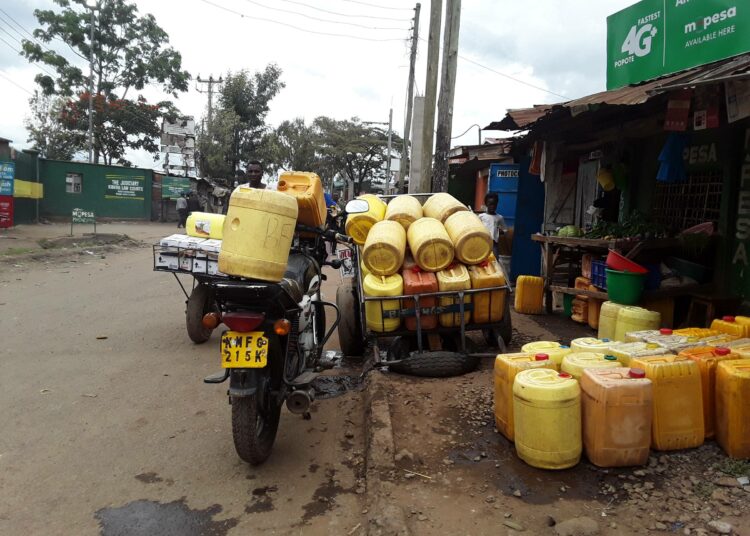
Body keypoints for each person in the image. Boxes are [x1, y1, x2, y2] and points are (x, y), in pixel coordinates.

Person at [478, 192, 507, 258]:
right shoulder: (481, 216)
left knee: (494, 260)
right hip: (483, 242)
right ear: (486, 204)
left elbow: (505, 230)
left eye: (494, 204)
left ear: (497, 204)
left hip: (494, 244)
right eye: (490, 204)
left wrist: (499, 231)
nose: (492, 206)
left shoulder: (499, 217)